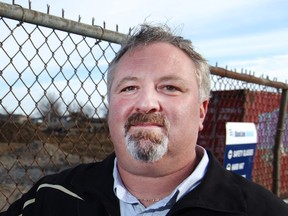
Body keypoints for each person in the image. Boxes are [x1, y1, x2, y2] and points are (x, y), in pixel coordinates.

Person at [1, 24, 288, 216]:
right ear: (111, 107)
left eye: (170, 87)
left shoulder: (261, 210)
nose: (146, 103)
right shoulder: (49, 199)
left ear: (201, 111)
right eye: (129, 88)